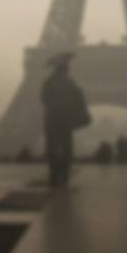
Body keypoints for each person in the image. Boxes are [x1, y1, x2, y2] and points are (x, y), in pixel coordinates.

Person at [41, 52, 90, 188]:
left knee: (55, 146)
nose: (67, 69)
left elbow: (45, 99)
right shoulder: (69, 84)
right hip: (62, 118)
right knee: (64, 146)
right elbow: (77, 97)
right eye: (66, 68)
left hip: (54, 118)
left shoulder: (50, 83)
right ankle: (61, 173)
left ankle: (57, 173)